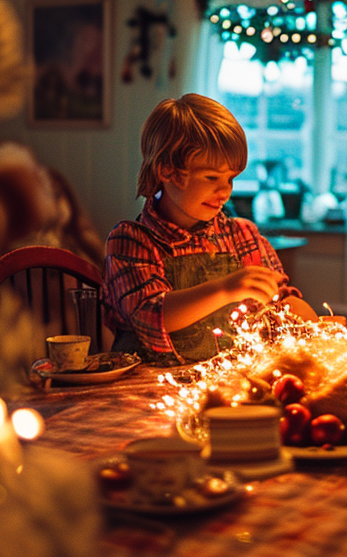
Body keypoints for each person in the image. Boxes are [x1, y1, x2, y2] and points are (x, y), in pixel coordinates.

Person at [103, 93, 315, 363]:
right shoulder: (131, 241)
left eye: (231, 178)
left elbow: (281, 301)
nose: (224, 191)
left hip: (225, 386)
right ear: (167, 171)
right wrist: (225, 289)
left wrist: (310, 324)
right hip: (146, 389)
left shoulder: (242, 236)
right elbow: (151, 314)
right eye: (212, 177)